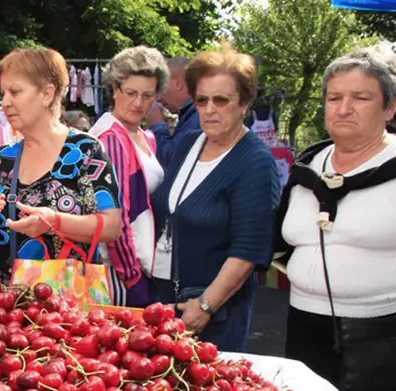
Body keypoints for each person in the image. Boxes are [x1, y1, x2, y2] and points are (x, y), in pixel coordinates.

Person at [275, 48, 396, 391]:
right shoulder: (308, 168)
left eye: (360, 97)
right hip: (305, 332)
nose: (343, 108)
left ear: (391, 104)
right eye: (333, 97)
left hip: (389, 343)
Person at [151, 44, 280, 352]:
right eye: (202, 99)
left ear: (244, 103)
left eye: (221, 100)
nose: (209, 109)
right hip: (167, 302)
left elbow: (248, 251)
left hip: (215, 314)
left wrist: (206, 305)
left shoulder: (255, 162)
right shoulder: (189, 144)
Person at [0, 47, 122, 283]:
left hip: (65, 309)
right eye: (4, 92)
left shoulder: (85, 151)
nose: (4, 103)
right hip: (5, 308)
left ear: (47, 94)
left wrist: (54, 222)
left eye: (15, 92)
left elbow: (111, 226)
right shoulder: (1, 158)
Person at [89, 46, 168, 307]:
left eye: (148, 95)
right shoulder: (112, 138)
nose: (139, 103)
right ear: (114, 88)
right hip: (118, 272)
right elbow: (117, 217)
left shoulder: (143, 135)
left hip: (137, 266)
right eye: (131, 93)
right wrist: (133, 277)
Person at [149, 56, 202, 169]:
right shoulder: (192, 113)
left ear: (178, 84)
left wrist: (157, 125)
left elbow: (171, 161)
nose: (158, 98)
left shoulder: (198, 115)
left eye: (161, 87)